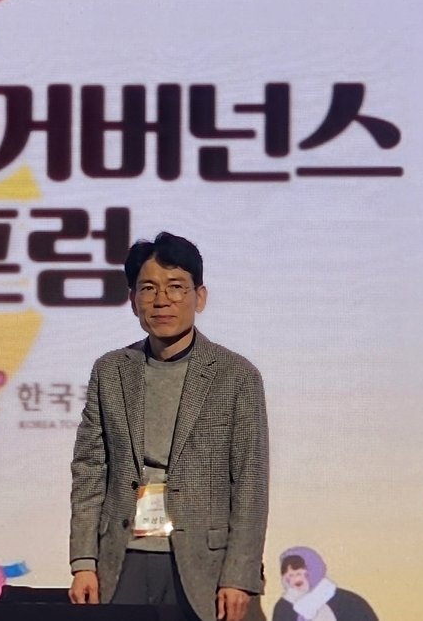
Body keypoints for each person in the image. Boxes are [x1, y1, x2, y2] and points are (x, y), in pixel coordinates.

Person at [68, 232, 269, 621]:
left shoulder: (236, 375)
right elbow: (90, 470)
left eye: (176, 287)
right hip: (121, 557)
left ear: (200, 297)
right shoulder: (111, 370)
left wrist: (239, 576)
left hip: (204, 564)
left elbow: (250, 484)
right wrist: (83, 561)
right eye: (148, 288)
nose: (162, 300)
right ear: (133, 300)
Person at [273, 547, 378, 621]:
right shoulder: (284, 607)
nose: (295, 579)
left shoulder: (348, 602)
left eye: (299, 573)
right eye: (290, 576)